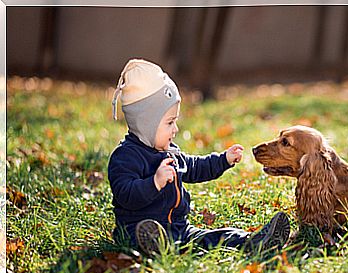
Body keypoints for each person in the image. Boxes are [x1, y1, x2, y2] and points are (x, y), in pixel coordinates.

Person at [108, 59, 290, 255]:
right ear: (146, 124)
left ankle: (253, 242)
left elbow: (195, 167)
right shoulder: (125, 157)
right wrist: (154, 182)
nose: (175, 129)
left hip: (180, 230)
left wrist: (223, 160)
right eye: (169, 123)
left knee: (215, 237)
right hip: (137, 231)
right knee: (147, 235)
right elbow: (125, 195)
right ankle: (156, 246)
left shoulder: (170, 152)